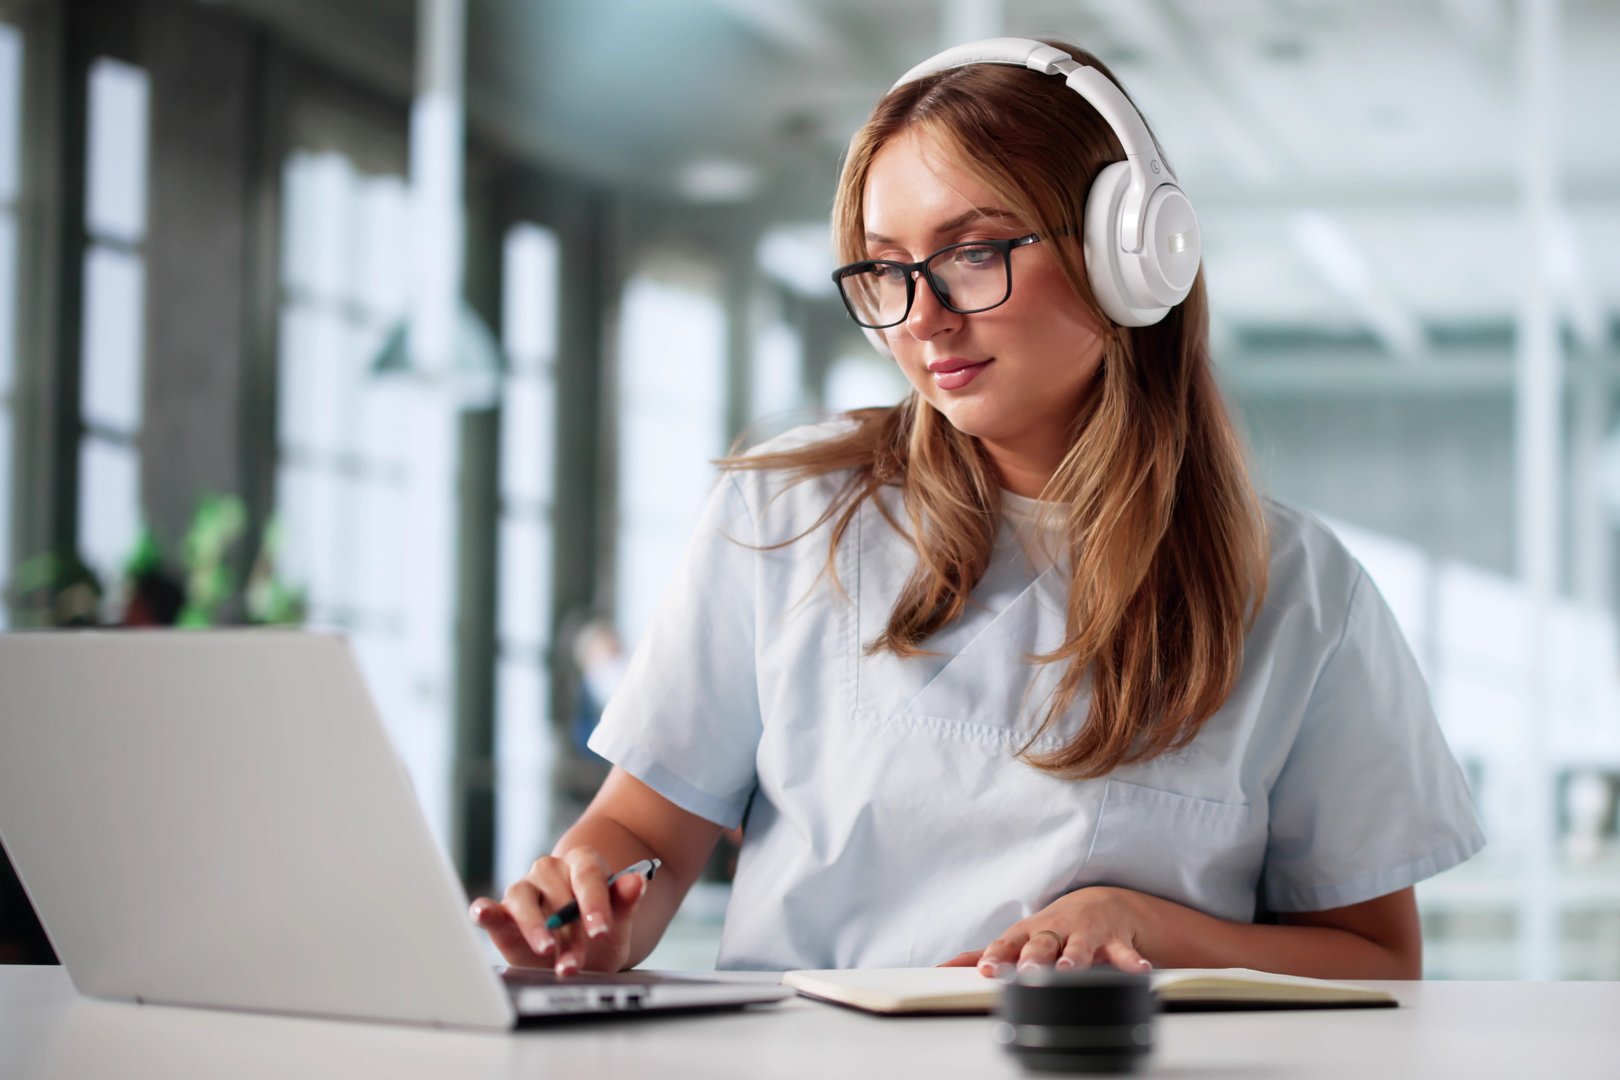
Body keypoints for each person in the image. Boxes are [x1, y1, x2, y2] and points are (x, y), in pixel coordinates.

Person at [471, 37, 1483, 980]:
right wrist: (589, 902)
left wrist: (1152, 925)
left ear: (1130, 252)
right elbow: (646, 837)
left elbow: (1374, 956)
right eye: (885, 268)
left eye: (972, 251)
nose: (921, 318)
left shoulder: (1296, 590)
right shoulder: (785, 513)